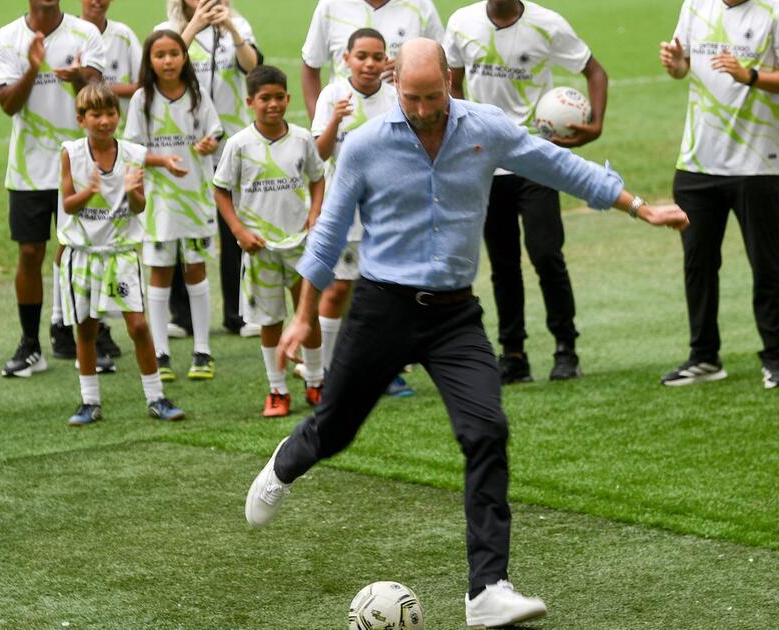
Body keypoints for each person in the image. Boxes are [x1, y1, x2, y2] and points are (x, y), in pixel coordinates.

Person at [244, 39, 688, 628]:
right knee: (337, 429)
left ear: (449, 83)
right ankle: (285, 464)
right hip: (382, 307)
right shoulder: (366, 146)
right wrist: (303, 316)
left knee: (486, 430)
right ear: (395, 83)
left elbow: (556, 163)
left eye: (435, 96)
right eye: (412, 97)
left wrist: (639, 206)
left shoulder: (487, 128)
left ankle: (487, 590)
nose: (425, 109)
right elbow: (328, 234)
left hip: (454, 315)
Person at [445, 0, 609, 383]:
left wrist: (596, 125)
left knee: (546, 252)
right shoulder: (461, 22)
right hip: (486, 160)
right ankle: (513, 354)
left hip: (536, 156)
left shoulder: (547, 23)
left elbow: (595, 72)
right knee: (503, 263)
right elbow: (452, 83)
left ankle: (566, 348)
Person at [658, 0, 779, 389]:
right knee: (698, 263)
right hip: (696, 162)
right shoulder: (695, 4)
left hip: (755, 163)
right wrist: (677, 66)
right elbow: (684, 68)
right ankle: (704, 357)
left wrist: (751, 76)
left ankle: (775, 360)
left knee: (766, 263)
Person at [0, 0, 107, 378]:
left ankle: (86, 342)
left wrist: (75, 77)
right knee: (29, 252)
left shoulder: (85, 33)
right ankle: (30, 345)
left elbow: (97, 95)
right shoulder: (7, 38)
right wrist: (33, 67)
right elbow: (8, 105)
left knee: (83, 251)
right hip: (29, 168)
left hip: (79, 164)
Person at [58, 84, 186, 425]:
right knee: (86, 328)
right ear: (81, 119)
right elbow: (68, 205)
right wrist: (89, 191)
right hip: (82, 254)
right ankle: (89, 402)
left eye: (110, 114)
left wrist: (132, 193)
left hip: (121, 252)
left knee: (139, 326)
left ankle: (157, 397)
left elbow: (139, 206)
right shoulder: (71, 152)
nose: (104, 121)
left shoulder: (131, 153)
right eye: (96, 115)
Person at [213, 65, 326, 418]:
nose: (273, 104)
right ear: (250, 102)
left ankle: (317, 382)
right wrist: (239, 232)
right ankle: (277, 390)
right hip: (259, 248)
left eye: (279, 97)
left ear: (288, 98)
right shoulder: (239, 144)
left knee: (307, 314)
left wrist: (316, 213)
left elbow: (318, 178)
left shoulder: (303, 138)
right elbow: (220, 190)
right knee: (270, 319)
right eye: (265, 98)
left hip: (299, 244)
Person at [309, 28, 413, 395]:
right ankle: (324, 373)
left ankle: (387, 369)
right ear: (346, 59)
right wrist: (336, 119)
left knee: (389, 291)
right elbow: (318, 155)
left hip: (387, 213)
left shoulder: (396, 98)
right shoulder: (332, 95)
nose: (369, 64)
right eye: (362, 56)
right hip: (345, 213)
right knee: (337, 290)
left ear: (387, 61)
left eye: (377, 57)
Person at [158, 0, 263, 338]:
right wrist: (195, 25)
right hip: (184, 145)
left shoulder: (239, 26)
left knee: (234, 230)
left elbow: (253, 68)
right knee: (182, 227)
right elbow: (165, 67)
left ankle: (240, 313)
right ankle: (182, 316)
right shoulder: (170, 32)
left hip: (230, 142)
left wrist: (230, 28)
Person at [123, 30, 223, 382]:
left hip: (195, 196)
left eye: (174, 54)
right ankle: (161, 352)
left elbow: (215, 132)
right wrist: (163, 161)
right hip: (159, 201)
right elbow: (132, 150)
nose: (167, 61)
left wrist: (210, 144)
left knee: (195, 267)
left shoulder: (198, 95)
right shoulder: (141, 100)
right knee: (160, 270)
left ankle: (203, 350)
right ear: (149, 61)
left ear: (184, 57)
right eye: (160, 55)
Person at [301, 0, 444, 120]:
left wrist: (410, 63)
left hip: (405, 123)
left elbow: (442, 62)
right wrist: (321, 125)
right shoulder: (331, 5)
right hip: (347, 126)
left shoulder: (420, 5)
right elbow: (311, 66)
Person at [78, 0, 141, 116]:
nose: (97, 1)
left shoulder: (124, 35)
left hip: (121, 129)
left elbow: (144, 84)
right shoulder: (69, 35)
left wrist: (101, 89)